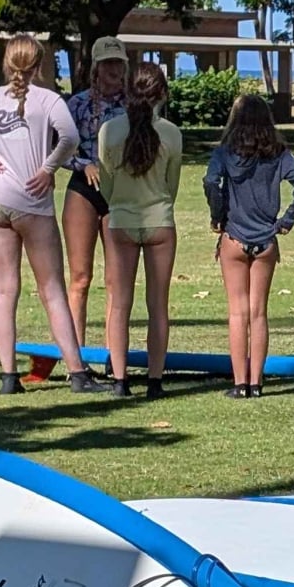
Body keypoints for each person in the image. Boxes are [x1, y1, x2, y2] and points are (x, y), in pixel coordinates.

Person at [0, 34, 109, 395]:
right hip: (32, 204)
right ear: (40, 64)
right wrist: (48, 169)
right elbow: (71, 139)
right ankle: (77, 373)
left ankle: (9, 377)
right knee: (52, 290)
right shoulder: (48, 100)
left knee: (4, 290)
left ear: (6, 62)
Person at [25, 36, 131, 383]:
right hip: (84, 190)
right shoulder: (77, 104)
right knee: (80, 279)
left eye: (119, 64)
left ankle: (115, 362)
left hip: (121, 194)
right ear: (96, 68)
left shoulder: (135, 106)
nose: (114, 71)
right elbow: (57, 147)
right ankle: (78, 363)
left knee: (117, 282)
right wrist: (83, 164)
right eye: (108, 64)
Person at [203, 94, 294, 399]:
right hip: (266, 240)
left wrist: (218, 215)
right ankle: (257, 382)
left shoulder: (225, 152)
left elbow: (211, 182)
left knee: (237, 313)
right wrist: (286, 221)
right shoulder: (278, 153)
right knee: (258, 313)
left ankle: (239, 384)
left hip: (234, 237)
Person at [99, 63, 182, 399]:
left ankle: (120, 380)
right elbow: (171, 185)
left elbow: (105, 185)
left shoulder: (109, 131)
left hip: (120, 221)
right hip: (159, 219)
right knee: (157, 305)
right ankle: (155, 380)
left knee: (119, 304)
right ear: (162, 92)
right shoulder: (172, 133)